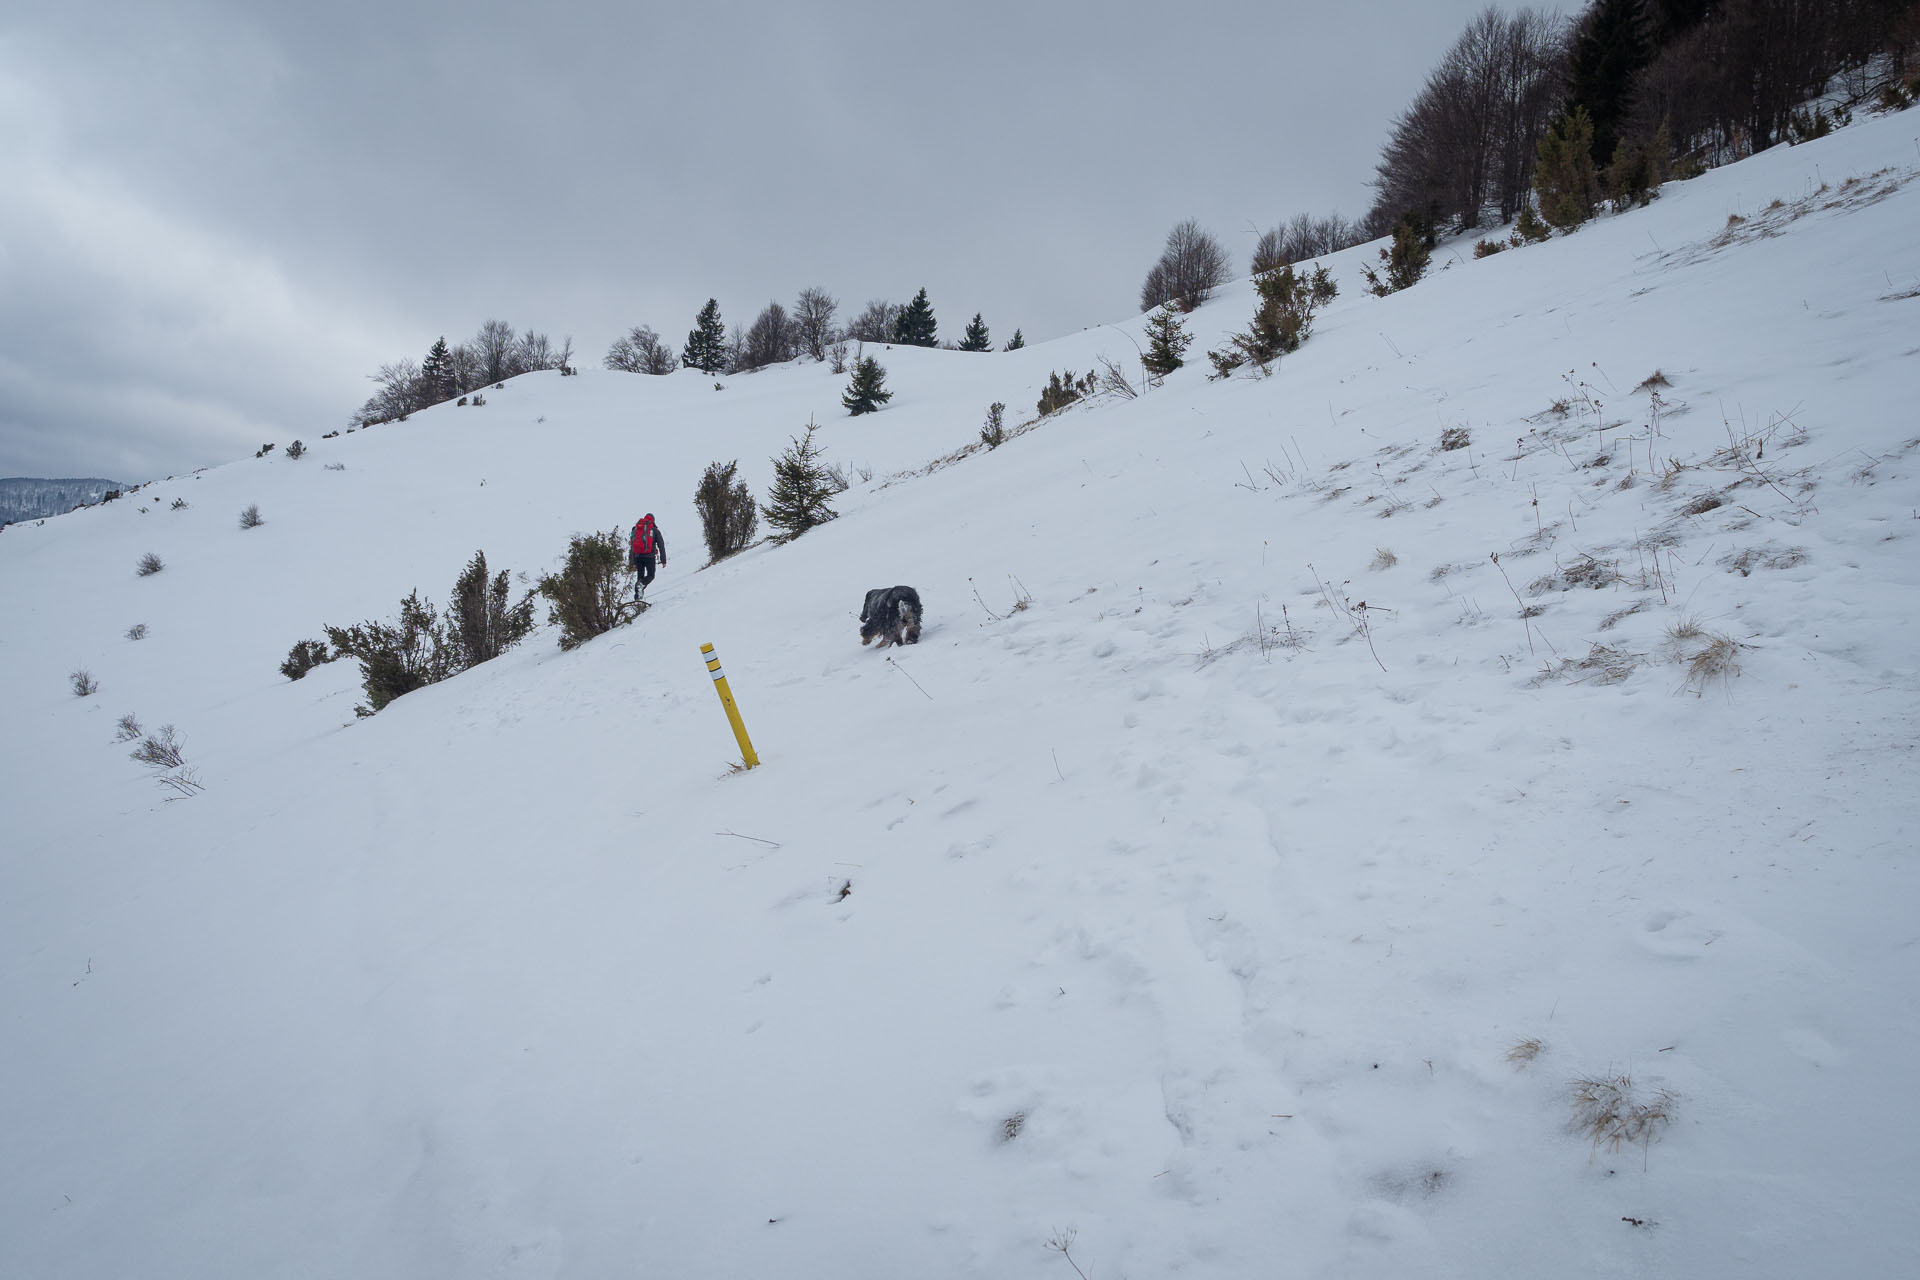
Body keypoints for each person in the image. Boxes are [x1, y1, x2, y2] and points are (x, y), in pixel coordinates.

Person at [629, 512, 666, 600]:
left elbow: (633, 546)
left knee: (640, 577)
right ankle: (640, 589)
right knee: (650, 575)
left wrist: (634, 561)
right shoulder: (654, 530)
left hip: (638, 556)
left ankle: (637, 598)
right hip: (649, 556)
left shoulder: (636, 529)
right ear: (653, 520)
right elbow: (661, 546)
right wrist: (663, 560)